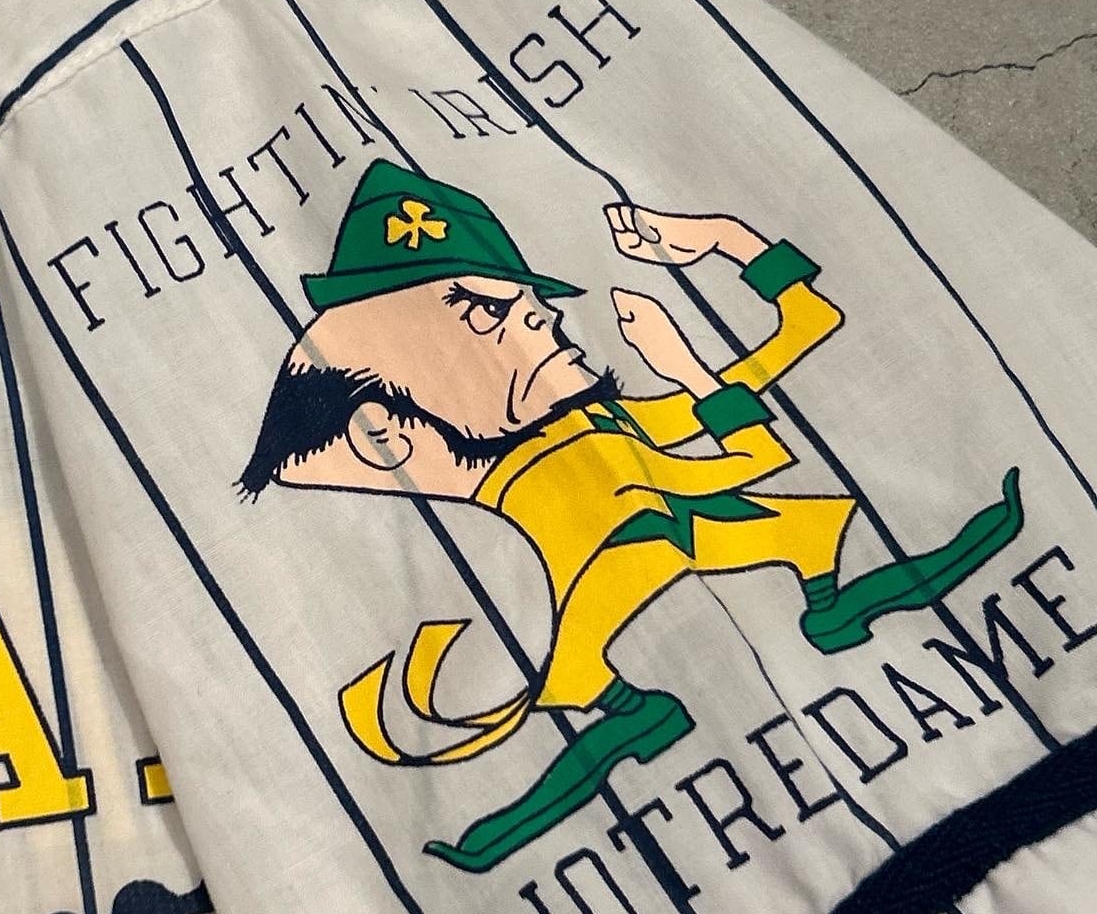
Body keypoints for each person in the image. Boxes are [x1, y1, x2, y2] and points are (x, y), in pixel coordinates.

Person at [241, 158, 1024, 871]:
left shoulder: (603, 426)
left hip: (642, 567)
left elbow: (804, 330)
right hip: (610, 577)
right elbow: (756, 451)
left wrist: (726, 239)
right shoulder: (527, 467)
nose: (542, 321)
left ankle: (756, 644)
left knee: (744, 556)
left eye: (529, 304)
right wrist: (687, 363)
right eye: (484, 317)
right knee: (687, 587)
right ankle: (720, 663)